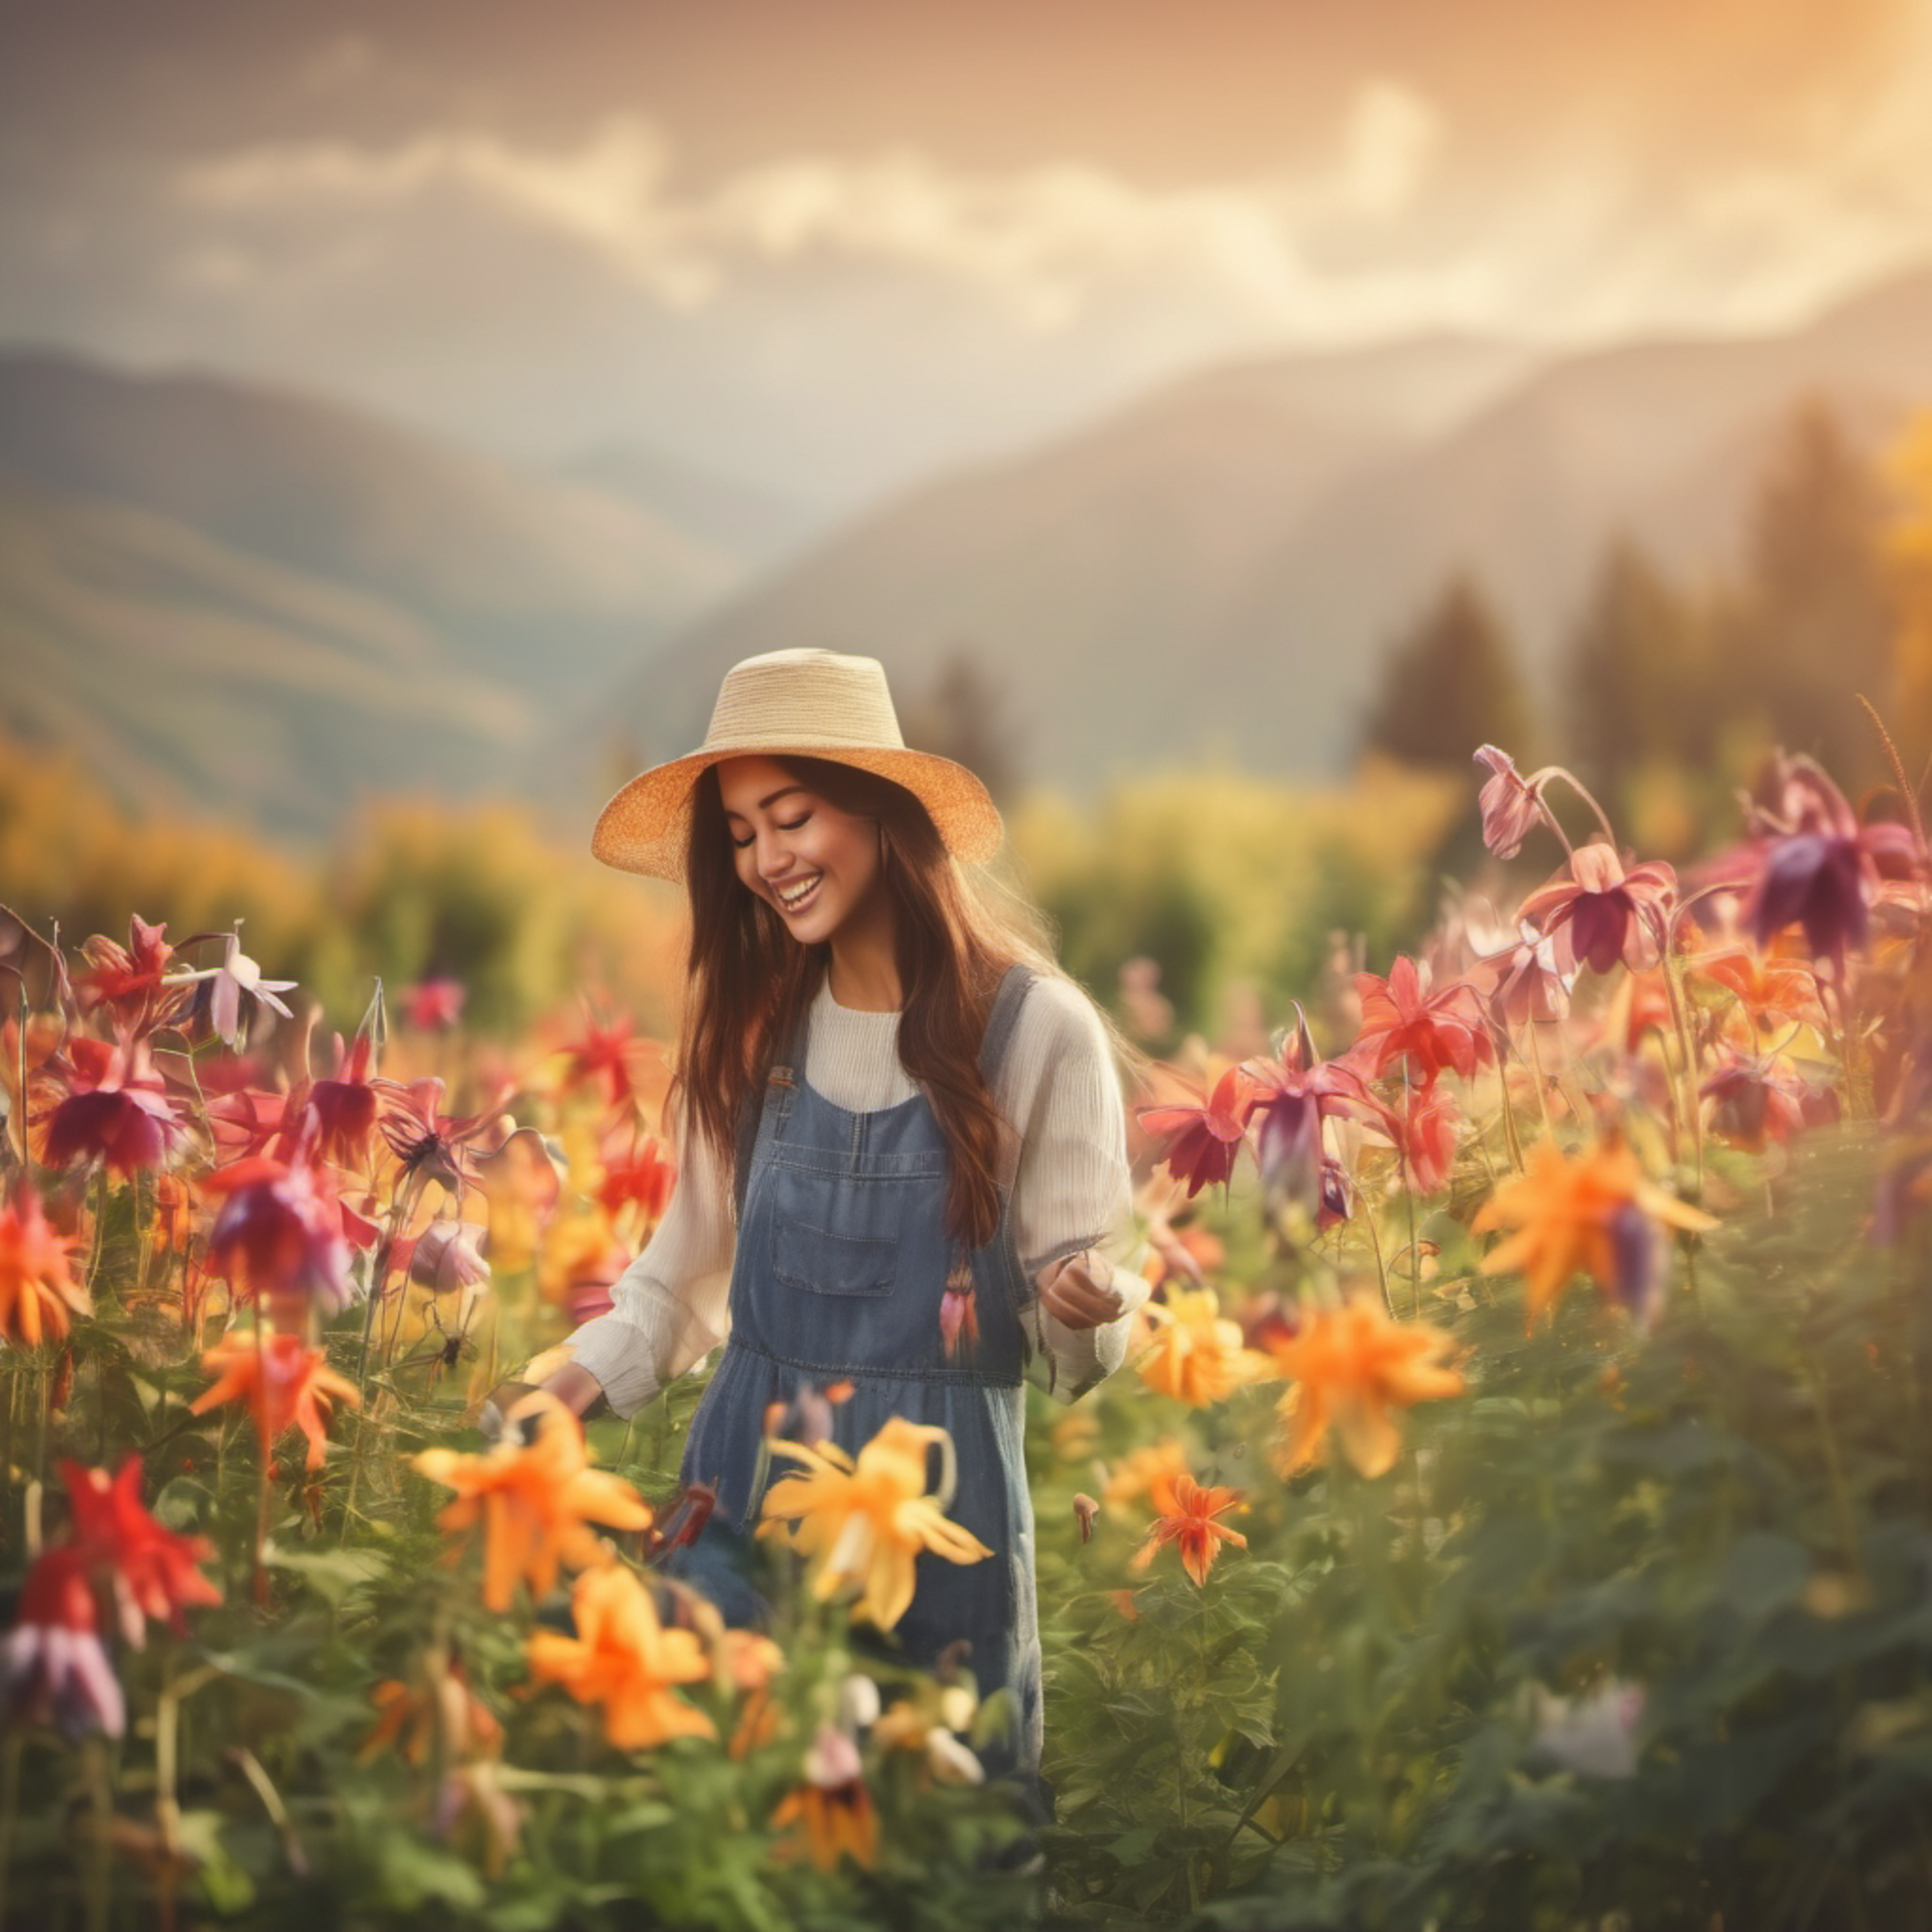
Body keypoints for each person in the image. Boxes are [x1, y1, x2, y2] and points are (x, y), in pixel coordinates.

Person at [533, 647, 1143, 1794]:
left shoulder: (1034, 1030)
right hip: (746, 1492)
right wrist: (558, 1391)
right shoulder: (755, 1032)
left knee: (933, 1847)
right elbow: (681, 1280)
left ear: (878, 812)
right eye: (739, 832)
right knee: (729, 1841)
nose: (766, 859)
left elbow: (1081, 1343)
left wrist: (1090, 1303)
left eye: (791, 816)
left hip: (938, 1520)